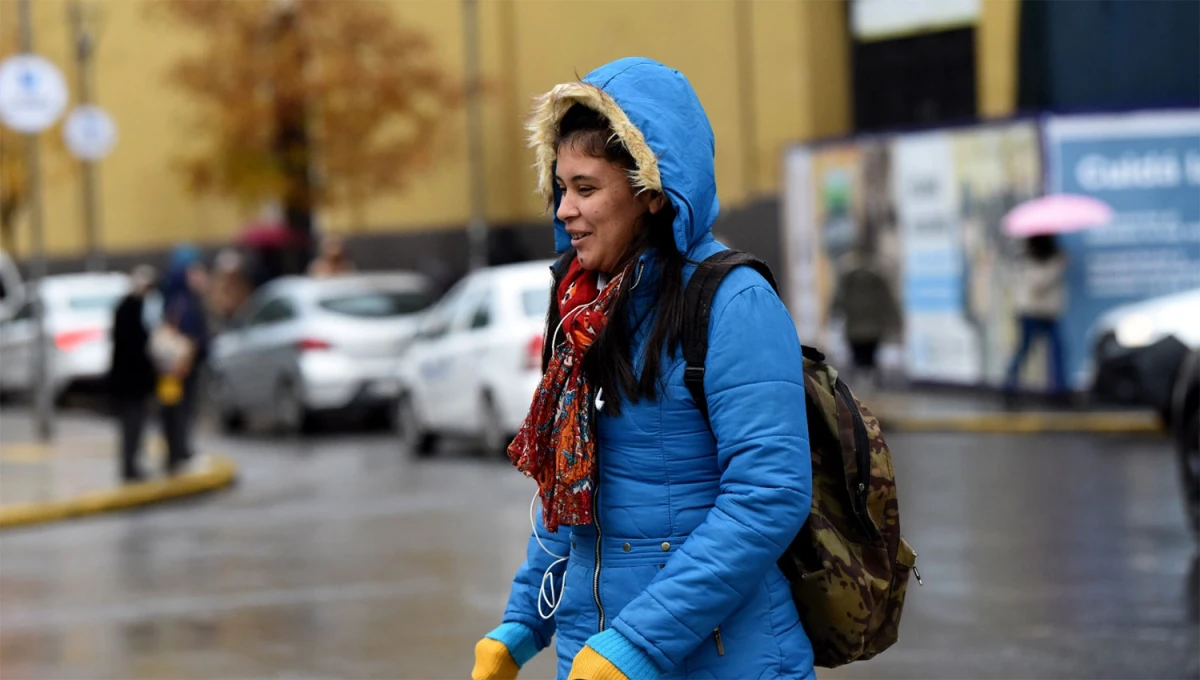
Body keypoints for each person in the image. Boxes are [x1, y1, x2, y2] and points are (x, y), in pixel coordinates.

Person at [471, 58, 814, 680]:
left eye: (586, 188)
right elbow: (569, 496)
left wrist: (636, 645)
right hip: (597, 656)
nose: (563, 211)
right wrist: (522, 623)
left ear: (653, 192)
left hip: (722, 661)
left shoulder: (734, 302)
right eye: (559, 187)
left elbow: (769, 496)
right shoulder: (580, 307)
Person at [156, 246, 210, 475]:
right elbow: (190, 337)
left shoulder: (175, 299)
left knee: (175, 410)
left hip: (173, 369)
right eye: (196, 272)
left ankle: (177, 453)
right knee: (179, 411)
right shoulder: (185, 302)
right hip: (180, 368)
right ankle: (179, 453)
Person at [108, 265, 157, 483]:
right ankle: (130, 465)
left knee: (135, 425)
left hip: (132, 380)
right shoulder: (130, 310)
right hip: (131, 381)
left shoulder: (132, 308)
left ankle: (132, 464)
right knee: (132, 425)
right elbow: (132, 346)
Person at [1005, 234, 1068, 400]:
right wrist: (1057, 266)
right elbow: (1038, 284)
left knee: (1057, 349)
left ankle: (1059, 389)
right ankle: (1008, 386)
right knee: (1024, 350)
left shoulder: (1052, 257)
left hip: (1048, 313)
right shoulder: (1027, 259)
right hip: (1030, 312)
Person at [830, 243, 901, 388]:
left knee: (858, 353)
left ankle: (861, 379)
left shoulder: (848, 276)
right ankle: (871, 378)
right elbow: (887, 300)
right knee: (870, 352)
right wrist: (895, 320)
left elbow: (839, 298)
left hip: (854, 325)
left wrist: (834, 313)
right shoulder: (878, 276)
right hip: (873, 325)